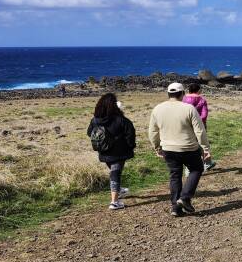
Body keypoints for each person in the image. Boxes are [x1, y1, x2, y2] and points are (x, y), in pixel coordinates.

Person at [148, 82, 212, 217]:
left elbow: (153, 131)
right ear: (182, 94)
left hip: (168, 149)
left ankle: (175, 207)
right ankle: (185, 197)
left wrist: (157, 147)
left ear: (168, 94)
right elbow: (200, 131)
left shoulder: (158, 109)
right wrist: (206, 148)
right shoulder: (189, 109)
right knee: (196, 169)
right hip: (189, 147)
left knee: (175, 175)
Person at [87, 93, 135, 210]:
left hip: (103, 151)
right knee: (115, 173)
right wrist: (130, 147)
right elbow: (130, 135)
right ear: (114, 106)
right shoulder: (122, 120)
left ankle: (118, 189)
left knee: (115, 171)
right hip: (119, 152)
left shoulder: (95, 120)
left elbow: (89, 133)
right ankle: (114, 202)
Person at [183, 82, 216, 171]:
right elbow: (204, 115)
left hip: (185, 125)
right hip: (199, 124)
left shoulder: (183, 99)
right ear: (198, 90)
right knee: (202, 143)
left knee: (188, 144)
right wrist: (199, 123)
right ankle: (207, 163)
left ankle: (188, 167)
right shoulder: (202, 100)